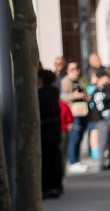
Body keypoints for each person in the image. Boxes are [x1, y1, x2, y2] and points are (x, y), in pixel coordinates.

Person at [38, 68, 63, 199]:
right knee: (54, 159)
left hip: (46, 132)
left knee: (47, 161)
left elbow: (45, 112)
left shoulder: (43, 93)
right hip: (53, 132)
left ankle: (48, 187)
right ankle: (55, 186)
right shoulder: (53, 92)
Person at [60, 61, 90, 173]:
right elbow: (62, 96)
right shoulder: (65, 81)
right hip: (73, 113)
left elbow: (84, 92)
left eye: (77, 68)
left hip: (83, 111)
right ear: (68, 70)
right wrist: (74, 95)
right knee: (74, 136)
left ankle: (77, 160)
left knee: (80, 136)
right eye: (73, 69)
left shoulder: (80, 80)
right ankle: (72, 162)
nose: (76, 70)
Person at [88, 67, 110, 171]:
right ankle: (101, 162)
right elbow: (100, 105)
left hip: (106, 119)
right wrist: (108, 116)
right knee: (103, 140)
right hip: (102, 120)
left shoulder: (105, 89)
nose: (107, 79)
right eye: (105, 77)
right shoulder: (99, 91)